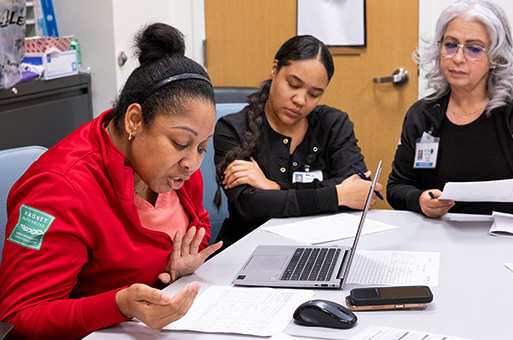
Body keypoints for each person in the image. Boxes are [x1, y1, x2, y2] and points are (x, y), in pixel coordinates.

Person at [0, 23, 222, 339]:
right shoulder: (58, 190)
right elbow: (21, 316)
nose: (192, 164)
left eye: (202, 147)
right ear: (134, 120)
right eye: (180, 143)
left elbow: (197, 223)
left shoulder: (176, 170)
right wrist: (120, 303)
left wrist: (181, 265)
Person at [387, 0, 513, 222]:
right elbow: (398, 186)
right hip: (446, 240)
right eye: (450, 44)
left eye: (474, 49)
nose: (457, 58)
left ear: (495, 56)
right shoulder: (423, 115)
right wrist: (418, 200)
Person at [213, 35, 382, 248]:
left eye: (314, 94)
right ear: (275, 69)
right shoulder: (232, 128)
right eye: (293, 85)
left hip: (323, 246)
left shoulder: (333, 124)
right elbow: (250, 206)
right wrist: (337, 194)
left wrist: (274, 188)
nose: (301, 100)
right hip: (246, 248)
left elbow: (360, 191)